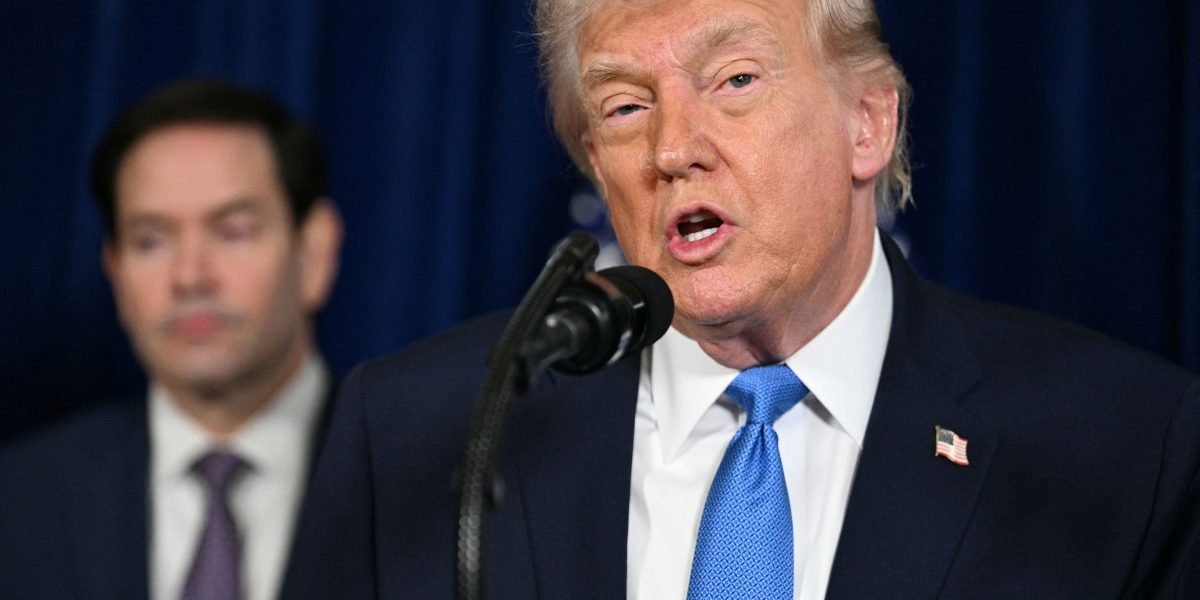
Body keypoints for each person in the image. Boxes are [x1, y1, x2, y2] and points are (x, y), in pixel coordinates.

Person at [283, 0, 1200, 598]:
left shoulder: (1124, 447)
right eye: (625, 107)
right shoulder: (421, 431)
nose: (675, 148)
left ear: (867, 123)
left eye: (736, 81)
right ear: (594, 163)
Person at [0, 79, 343, 600]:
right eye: (151, 240)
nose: (189, 276)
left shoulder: (425, 482)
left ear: (313, 252)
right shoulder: (22, 499)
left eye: (233, 231)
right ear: (115, 271)